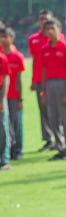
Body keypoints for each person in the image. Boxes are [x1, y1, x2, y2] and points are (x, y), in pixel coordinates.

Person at [37, 18, 66, 160]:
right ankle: (60, 147)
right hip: (50, 85)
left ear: (59, 29)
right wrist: (43, 91)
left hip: (62, 83)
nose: (50, 32)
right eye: (47, 29)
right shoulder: (44, 49)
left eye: (53, 28)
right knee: (53, 118)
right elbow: (44, 70)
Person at [28, 10, 53, 151]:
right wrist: (33, 79)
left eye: (46, 19)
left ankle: (58, 138)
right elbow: (34, 61)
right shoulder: (33, 39)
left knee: (56, 110)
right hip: (39, 79)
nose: (44, 22)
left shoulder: (57, 37)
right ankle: (48, 139)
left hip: (53, 78)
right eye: (42, 19)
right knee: (43, 110)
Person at [1, 27, 23, 162]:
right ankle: (6, 150)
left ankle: (18, 149)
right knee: (4, 125)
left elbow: (19, 79)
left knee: (16, 123)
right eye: (1, 36)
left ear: (12, 38)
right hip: (2, 95)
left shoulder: (17, 56)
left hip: (13, 94)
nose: (3, 39)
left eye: (5, 36)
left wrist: (20, 97)